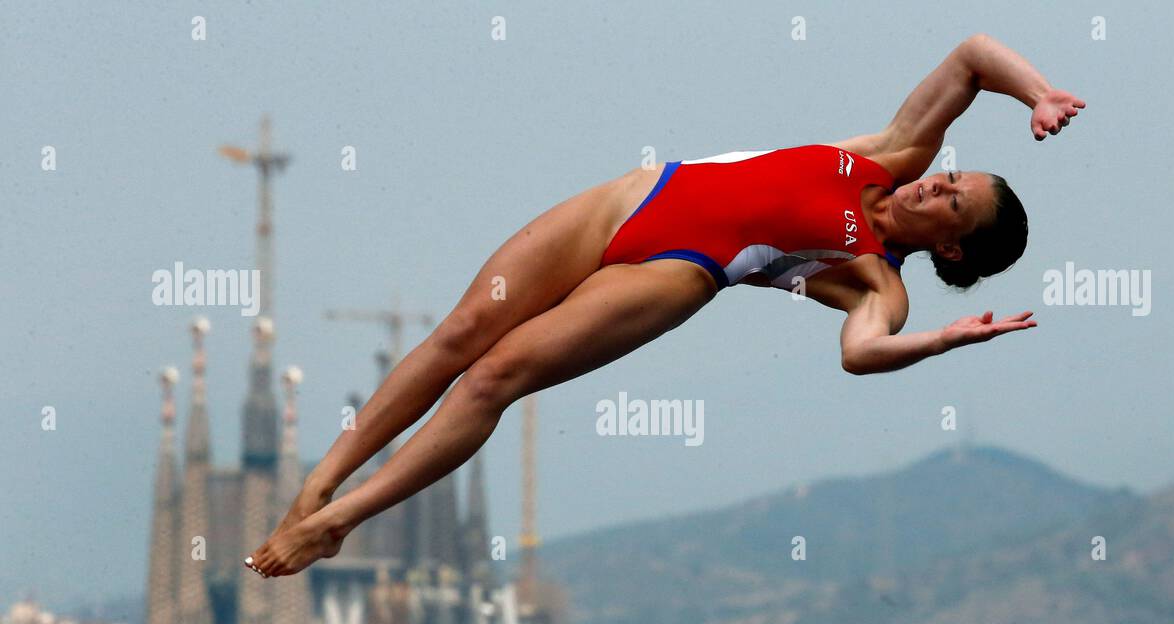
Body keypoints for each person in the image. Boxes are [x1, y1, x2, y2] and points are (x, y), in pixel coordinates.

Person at [246, 32, 1084, 578]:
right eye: (955, 176)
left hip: (676, 268)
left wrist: (941, 342)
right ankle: (317, 484)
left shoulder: (880, 279)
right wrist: (1038, 94)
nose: (939, 183)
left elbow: (861, 353)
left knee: (493, 375)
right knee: (462, 330)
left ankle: (338, 522)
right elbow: (973, 55)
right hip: (637, 198)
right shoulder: (891, 154)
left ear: (950, 248)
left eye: (953, 204)